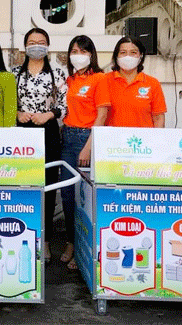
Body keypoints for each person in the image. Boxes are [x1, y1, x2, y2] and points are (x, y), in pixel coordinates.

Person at [11, 28, 67, 262]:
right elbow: (5, 104)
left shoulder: (57, 72)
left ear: (48, 46)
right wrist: (17, 113)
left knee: (48, 185)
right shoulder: (13, 73)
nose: (36, 46)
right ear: (24, 47)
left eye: (41, 42)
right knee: (22, 184)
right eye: (32, 42)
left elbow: (65, 105)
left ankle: (44, 241)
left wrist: (50, 114)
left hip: (48, 132)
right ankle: (21, 235)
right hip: (21, 133)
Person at [59, 35, 109, 270]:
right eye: (74, 50)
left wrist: (88, 146)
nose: (78, 55)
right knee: (68, 195)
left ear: (91, 55)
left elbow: (102, 114)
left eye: (83, 51)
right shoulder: (70, 79)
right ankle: (71, 242)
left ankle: (84, 250)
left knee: (85, 197)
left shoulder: (99, 79)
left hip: (86, 139)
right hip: (67, 137)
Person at [99, 36, 166, 128]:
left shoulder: (152, 83)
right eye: (123, 52)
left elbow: (158, 118)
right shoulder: (104, 80)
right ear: (116, 56)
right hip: (113, 139)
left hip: (142, 140)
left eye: (133, 52)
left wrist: (156, 140)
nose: (128, 56)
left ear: (141, 56)